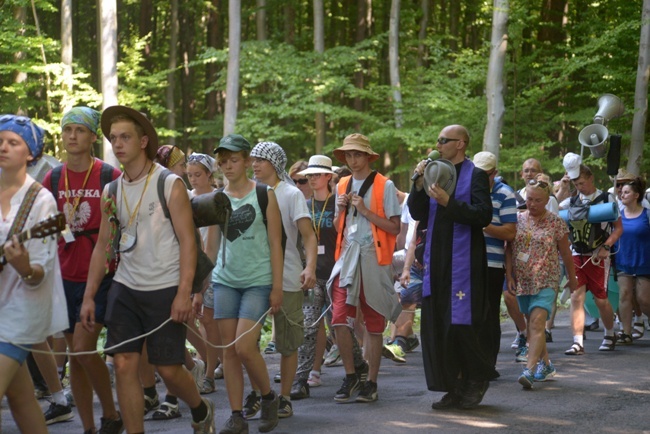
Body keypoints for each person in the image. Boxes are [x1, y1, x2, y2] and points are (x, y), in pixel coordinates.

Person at [80, 105, 215, 434]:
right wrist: (89, 296)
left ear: (143, 141)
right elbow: (103, 245)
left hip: (166, 287)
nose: (118, 144)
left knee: (168, 370)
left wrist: (185, 293)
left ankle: (200, 408)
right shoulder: (111, 191)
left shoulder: (169, 184)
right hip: (125, 287)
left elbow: (188, 242)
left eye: (125, 137)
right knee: (124, 364)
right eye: (113, 138)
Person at [41, 106, 123, 433]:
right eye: (67, 130)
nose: (72, 136)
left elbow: (123, 223)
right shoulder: (54, 177)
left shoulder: (108, 176)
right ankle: (90, 426)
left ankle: (111, 413)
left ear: (92, 137)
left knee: (85, 351)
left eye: (79, 130)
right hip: (64, 273)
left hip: (101, 273)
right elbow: (52, 220)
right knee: (76, 356)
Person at [408, 125, 497, 410]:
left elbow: (483, 215)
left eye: (443, 141)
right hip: (437, 259)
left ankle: (475, 380)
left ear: (460, 144)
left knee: (462, 326)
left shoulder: (477, 175)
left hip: (466, 262)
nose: (437, 144)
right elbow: (417, 213)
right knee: (440, 325)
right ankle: (454, 386)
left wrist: (450, 203)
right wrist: (418, 184)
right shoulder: (435, 171)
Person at [210, 134, 283, 434]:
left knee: (244, 346)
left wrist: (277, 287)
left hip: (257, 281)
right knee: (228, 351)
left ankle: (268, 397)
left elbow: (276, 244)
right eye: (223, 161)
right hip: (224, 281)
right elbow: (211, 246)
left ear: (246, 161)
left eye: (233, 160)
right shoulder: (215, 199)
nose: (227, 166)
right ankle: (237, 414)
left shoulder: (265, 194)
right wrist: (196, 284)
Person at [0, 114, 68, 434]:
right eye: (0, 141)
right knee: (22, 399)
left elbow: (41, 274)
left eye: (13, 143)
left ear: (30, 153)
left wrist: (25, 267)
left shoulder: (41, 202)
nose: (3, 147)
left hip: (22, 312)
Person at [327, 133, 402, 403]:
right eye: (348, 155)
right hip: (346, 256)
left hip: (374, 256)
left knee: (373, 321)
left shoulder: (385, 185)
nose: (353, 159)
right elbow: (339, 227)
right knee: (338, 317)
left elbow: (395, 227)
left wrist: (366, 210)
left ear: (368, 157)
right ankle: (350, 375)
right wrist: (340, 211)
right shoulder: (342, 185)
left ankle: (370, 381)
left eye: (357, 154)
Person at [249, 142, 317, 419]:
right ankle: (258, 394)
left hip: (288, 276)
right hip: (252, 278)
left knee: (288, 343)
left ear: (275, 163)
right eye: (252, 160)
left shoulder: (291, 194)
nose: (254, 165)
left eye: (260, 160)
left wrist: (309, 267)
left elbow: (309, 235)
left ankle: (285, 397)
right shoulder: (248, 193)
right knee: (248, 343)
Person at [505, 175, 578, 389]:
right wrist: (509, 276)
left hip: (546, 279)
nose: (533, 204)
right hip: (523, 280)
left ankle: (528, 370)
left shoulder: (556, 222)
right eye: (529, 199)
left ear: (547, 201)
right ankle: (545, 365)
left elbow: (566, 254)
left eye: (538, 200)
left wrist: (572, 279)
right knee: (531, 325)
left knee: (537, 324)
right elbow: (509, 250)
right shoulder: (518, 220)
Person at [559, 153, 623, 355]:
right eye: (576, 184)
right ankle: (577, 342)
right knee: (576, 296)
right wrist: (564, 187)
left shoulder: (606, 198)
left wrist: (606, 246)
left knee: (600, 299)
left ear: (591, 179)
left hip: (597, 255)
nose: (580, 187)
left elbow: (618, 228)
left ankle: (610, 332)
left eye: (582, 183)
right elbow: (555, 207)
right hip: (577, 253)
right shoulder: (573, 200)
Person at [472, 151, 517, 367]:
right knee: (471, 313)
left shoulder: (505, 194)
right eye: (477, 174)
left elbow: (510, 233)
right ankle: (474, 361)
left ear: (494, 173)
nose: (480, 179)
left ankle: (489, 364)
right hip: (468, 262)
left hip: (492, 263)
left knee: (489, 314)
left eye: (485, 175)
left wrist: (483, 224)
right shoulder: (467, 190)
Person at [187, 152, 224, 394]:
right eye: (189, 175)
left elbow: (211, 244)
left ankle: (209, 372)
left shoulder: (216, 198)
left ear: (209, 174)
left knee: (208, 320)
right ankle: (210, 360)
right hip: (190, 265)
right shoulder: (186, 198)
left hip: (215, 265)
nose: (193, 180)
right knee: (193, 319)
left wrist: (203, 279)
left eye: (197, 175)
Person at [615, 177, 650, 344]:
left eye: (627, 192)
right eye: (622, 192)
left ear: (636, 195)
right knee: (625, 295)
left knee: (644, 300)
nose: (623, 194)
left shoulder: (647, 214)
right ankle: (626, 333)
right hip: (623, 261)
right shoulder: (617, 216)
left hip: (645, 262)